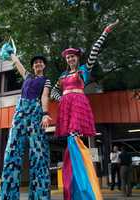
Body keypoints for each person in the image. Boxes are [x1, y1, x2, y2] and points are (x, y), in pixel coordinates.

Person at [51, 20, 119, 200]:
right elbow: (53, 92)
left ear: (77, 58)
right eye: (68, 57)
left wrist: (105, 32)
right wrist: (62, 99)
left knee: (74, 135)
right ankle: (75, 181)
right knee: (70, 138)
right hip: (67, 105)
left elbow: (95, 52)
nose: (70, 59)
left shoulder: (83, 70)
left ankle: (82, 183)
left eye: (73, 56)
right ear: (66, 60)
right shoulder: (62, 76)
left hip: (79, 104)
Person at [0, 43, 52, 200]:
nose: (38, 64)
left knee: (39, 152)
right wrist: (11, 53)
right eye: (36, 62)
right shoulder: (28, 76)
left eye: (41, 62)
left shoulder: (46, 80)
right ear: (33, 66)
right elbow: (18, 64)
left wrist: (45, 113)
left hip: (35, 111)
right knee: (12, 149)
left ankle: (39, 195)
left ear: (44, 66)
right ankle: (8, 195)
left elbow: (44, 96)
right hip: (20, 110)